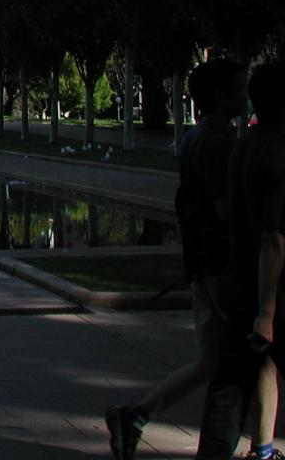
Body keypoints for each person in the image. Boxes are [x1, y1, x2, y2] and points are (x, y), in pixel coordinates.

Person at [107, 59, 277, 460]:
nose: (244, 97)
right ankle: (263, 448)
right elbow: (223, 208)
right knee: (258, 354)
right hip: (224, 267)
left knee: (213, 360)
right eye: (237, 89)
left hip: (205, 264)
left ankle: (135, 414)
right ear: (218, 96)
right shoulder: (219, 144)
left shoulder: (196, 138)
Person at [193, 60, 285, 460]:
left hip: (238, 285)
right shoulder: (277, 155)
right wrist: (268, 311)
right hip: (271, 294)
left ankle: (251, 449)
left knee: (229, 391)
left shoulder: (242, 145)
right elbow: (274, 239)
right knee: (234, 382)